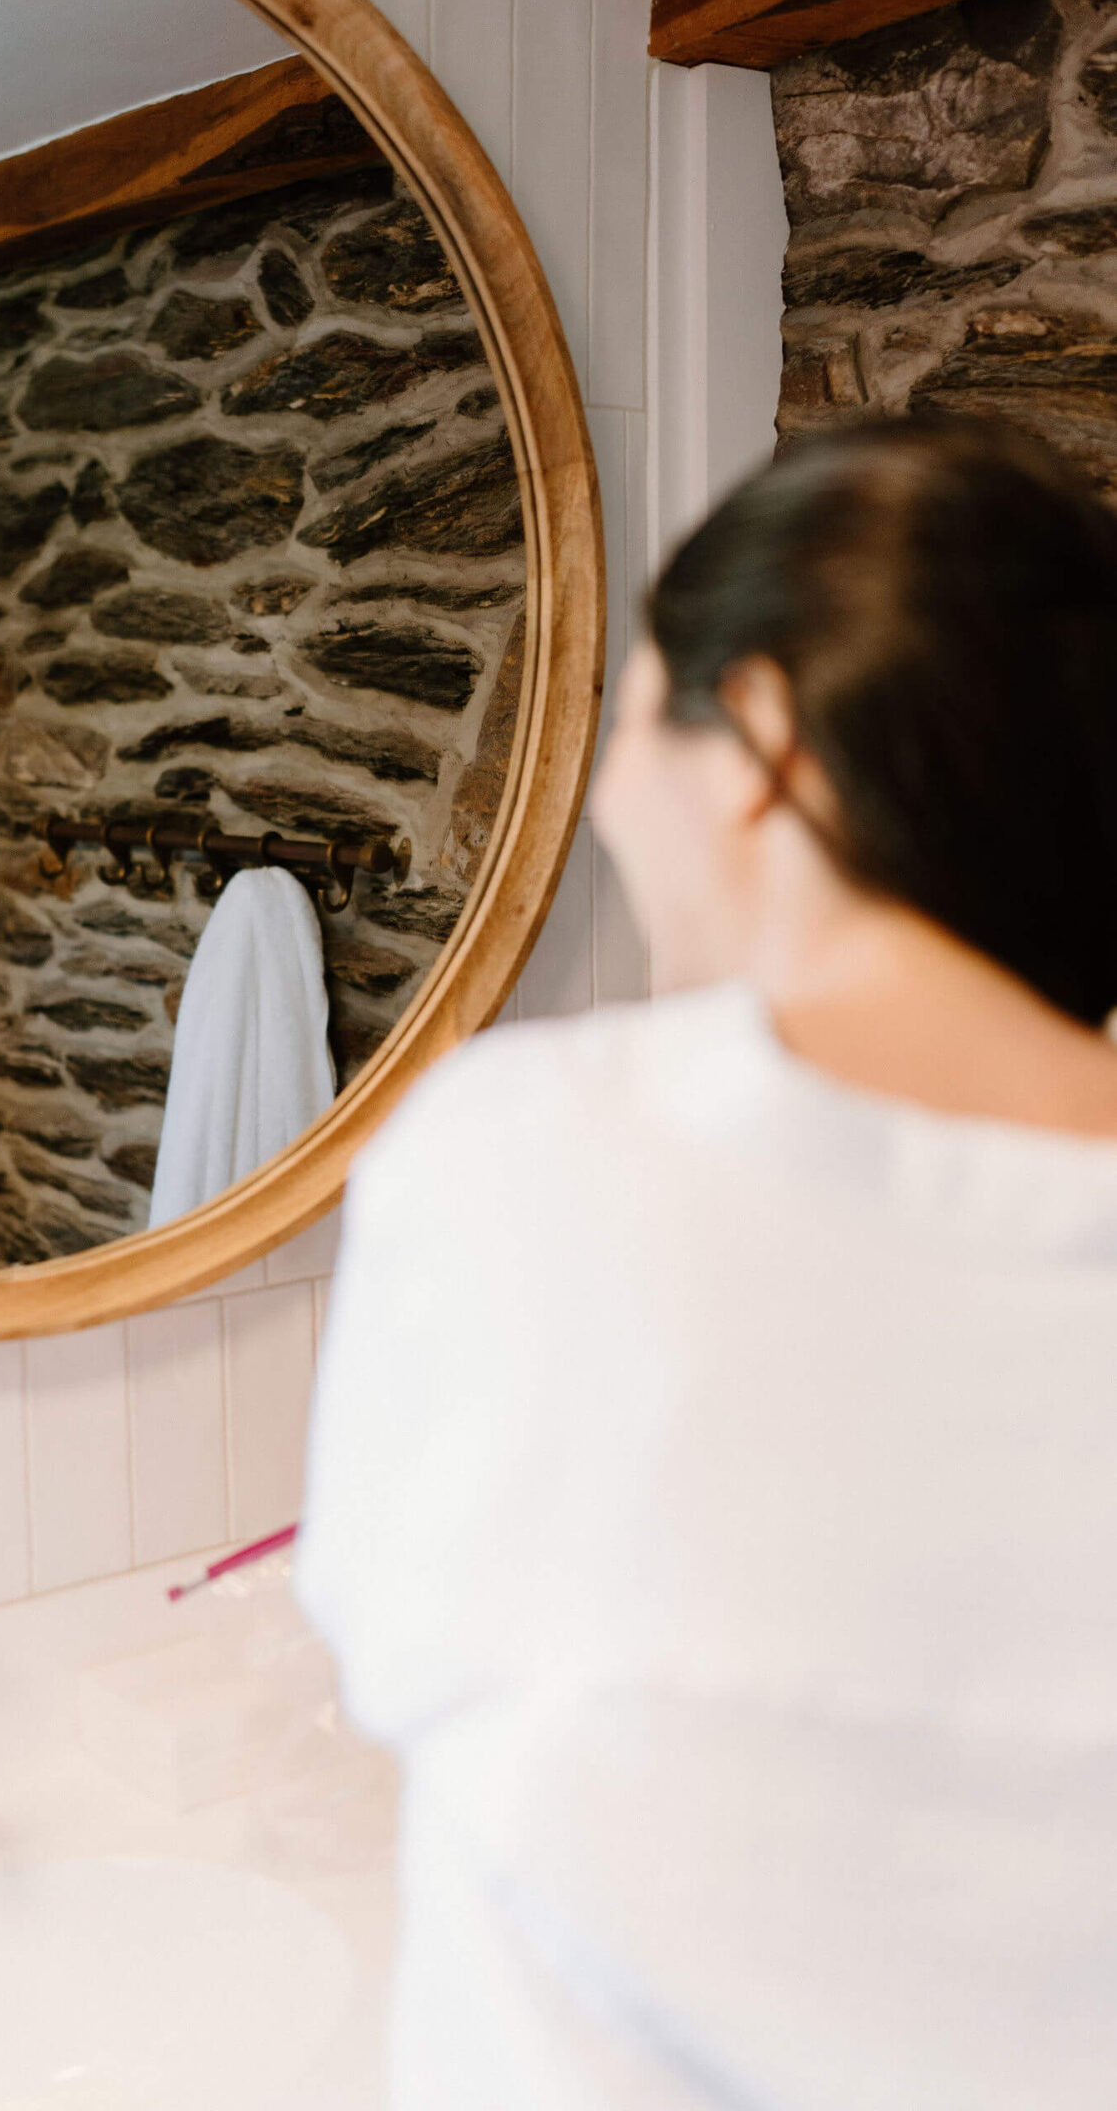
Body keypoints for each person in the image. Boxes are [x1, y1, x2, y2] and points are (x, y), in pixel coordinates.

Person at [297, 420, 1117, 2110]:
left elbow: (390, 1651)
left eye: (631, 719)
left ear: (753, 737)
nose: (600, 798)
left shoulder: (521, 1163)